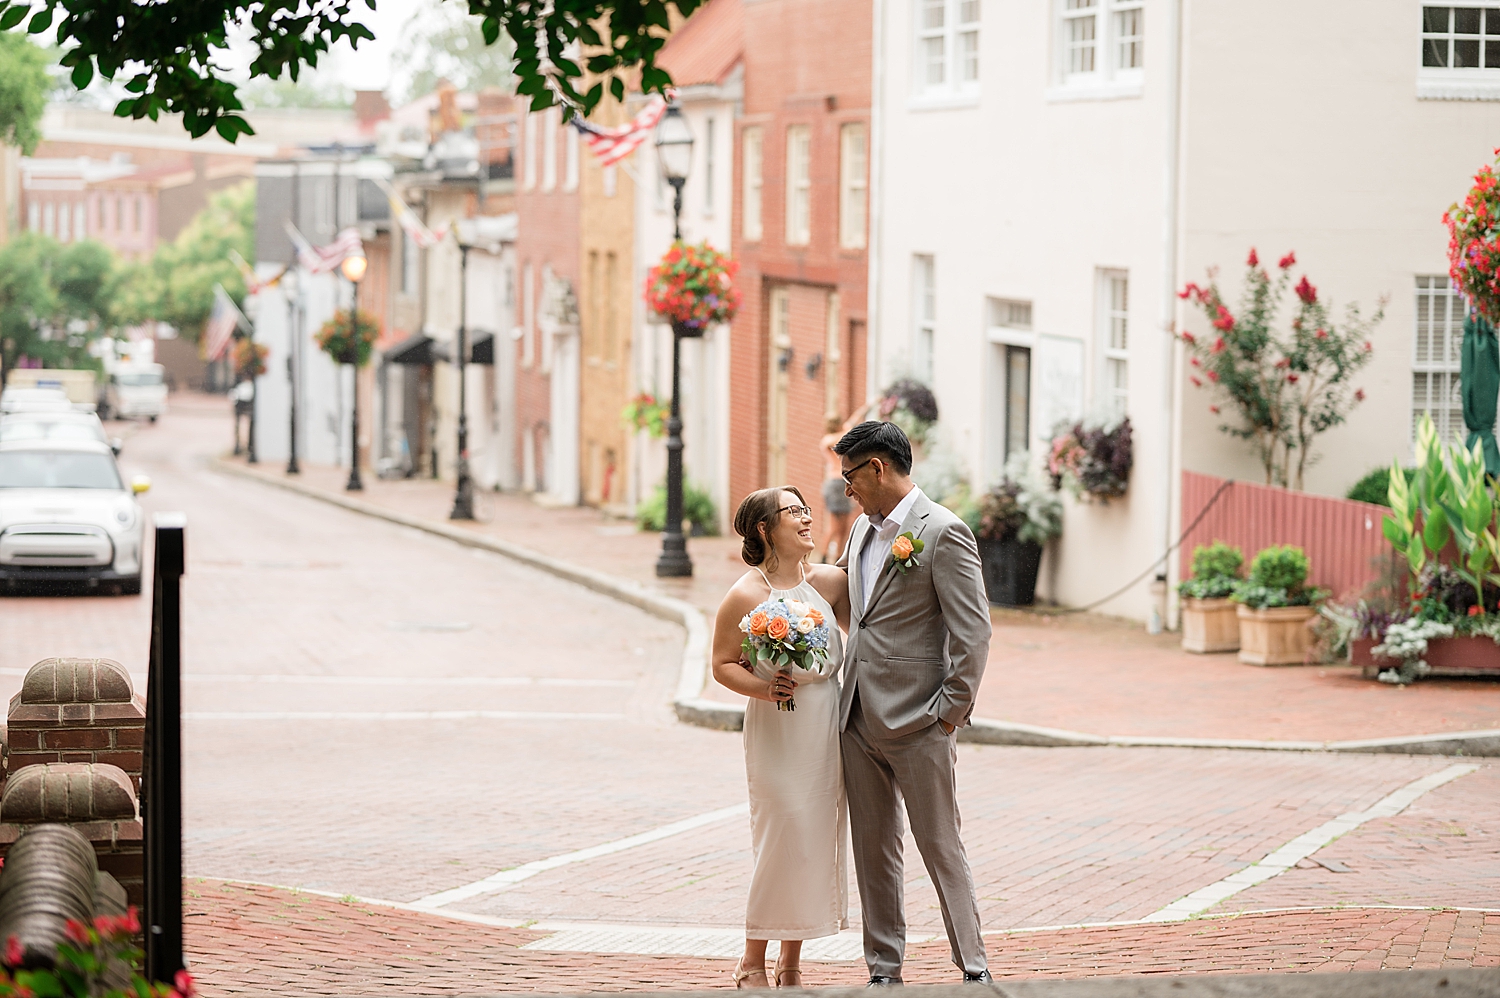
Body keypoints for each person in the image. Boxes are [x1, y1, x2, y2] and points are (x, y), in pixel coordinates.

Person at [833, 420, 993, 986]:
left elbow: (972, 632)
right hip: (856, 717)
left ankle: (973, 967)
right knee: (872, 851)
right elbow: (860, 611)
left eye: (850, 476)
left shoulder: (944, 531)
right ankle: (883, 968)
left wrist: (951, 710)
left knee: (940, 845)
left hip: (921, 719)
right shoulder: (860, 531)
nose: (845, 489)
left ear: (877, 469)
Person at [711, 486, 853, 989]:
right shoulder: (746, 594)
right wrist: (764, 687)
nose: (808, 518)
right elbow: (722, 664)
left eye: (807, 510)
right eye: (794, 512)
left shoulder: (833, 582)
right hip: (775, 729)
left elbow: (870, 632)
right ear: (765, 529)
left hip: (822, 724)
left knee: (811, 838)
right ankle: (751, 959)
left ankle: (790, 963)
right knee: (778, 836)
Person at [818, 404, 874, 565]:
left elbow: (855, 418)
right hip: (836, 484)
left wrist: (869, 406)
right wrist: (851, 428)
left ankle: (837, 559)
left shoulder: (842, 434)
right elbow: (844, 435)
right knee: (835, 526)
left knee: (843, 527)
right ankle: (823, 558)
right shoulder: (828, 440)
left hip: (841, 483)